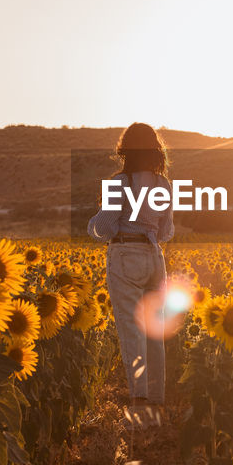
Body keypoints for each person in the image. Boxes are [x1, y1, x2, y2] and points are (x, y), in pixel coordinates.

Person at [87, 123, 174, 428]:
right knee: (154, 332)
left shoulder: (119, 182)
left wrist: (94, 219)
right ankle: (157, 405)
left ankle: (138, 404)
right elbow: (167, 231)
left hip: (125, 256)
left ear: (125, 149)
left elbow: (106, 227)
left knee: (131, 331)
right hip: (154, 258)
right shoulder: (163, 185)